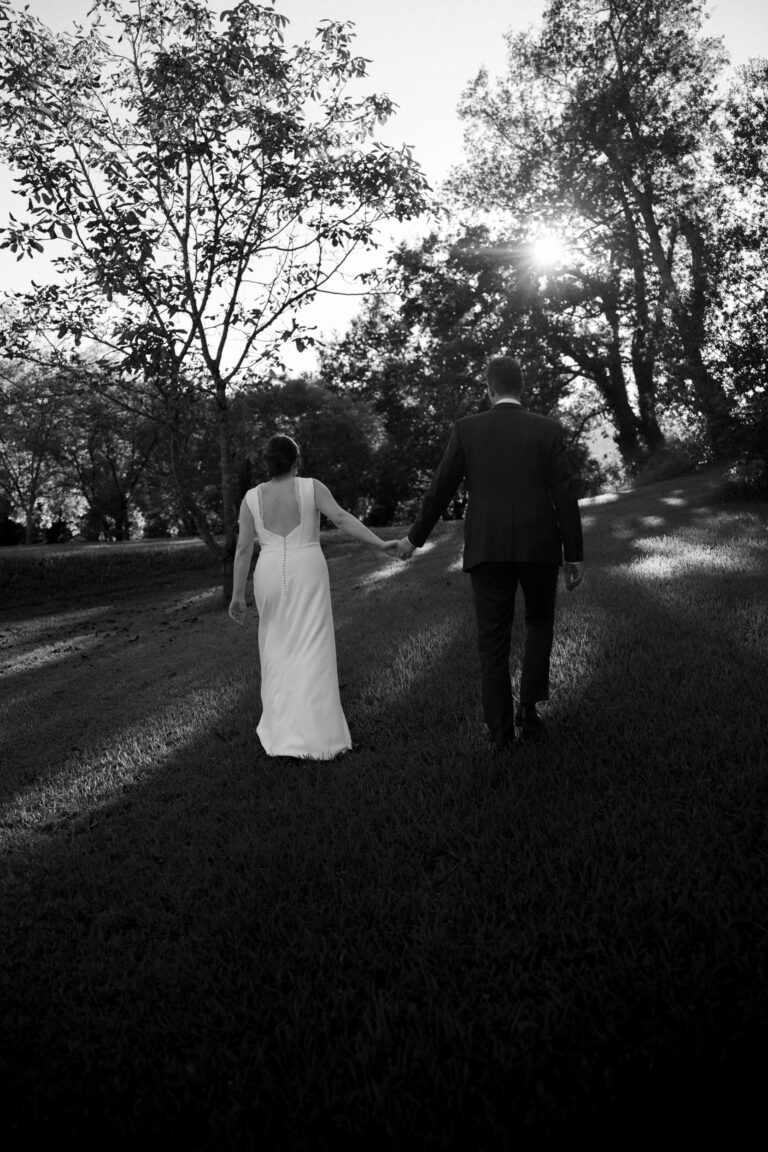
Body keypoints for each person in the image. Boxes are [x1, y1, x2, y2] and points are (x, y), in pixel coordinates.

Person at [394, 356, 584, 750]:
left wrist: (414, 539)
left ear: (490, 387)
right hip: (539, 544)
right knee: (539, 623)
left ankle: (501, 736)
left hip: (488, 546)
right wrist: (574, 554)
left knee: (492, 641)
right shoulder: (546, 429)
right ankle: (529, 712)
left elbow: (440, 488)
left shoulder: (467, 430)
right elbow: (565, 493)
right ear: (521, 387)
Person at [229, 434, 399, 760]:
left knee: (276, 649)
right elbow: (342, 518)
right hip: (307, 569)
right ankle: (319, 737)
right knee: (313, 647)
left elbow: (243, 548)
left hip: (267, 574)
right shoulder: (311, 487)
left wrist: (238, 595)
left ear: (269, 463)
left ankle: (282, 735)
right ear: (296, 461)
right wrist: (380, 544)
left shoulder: (251, 498)